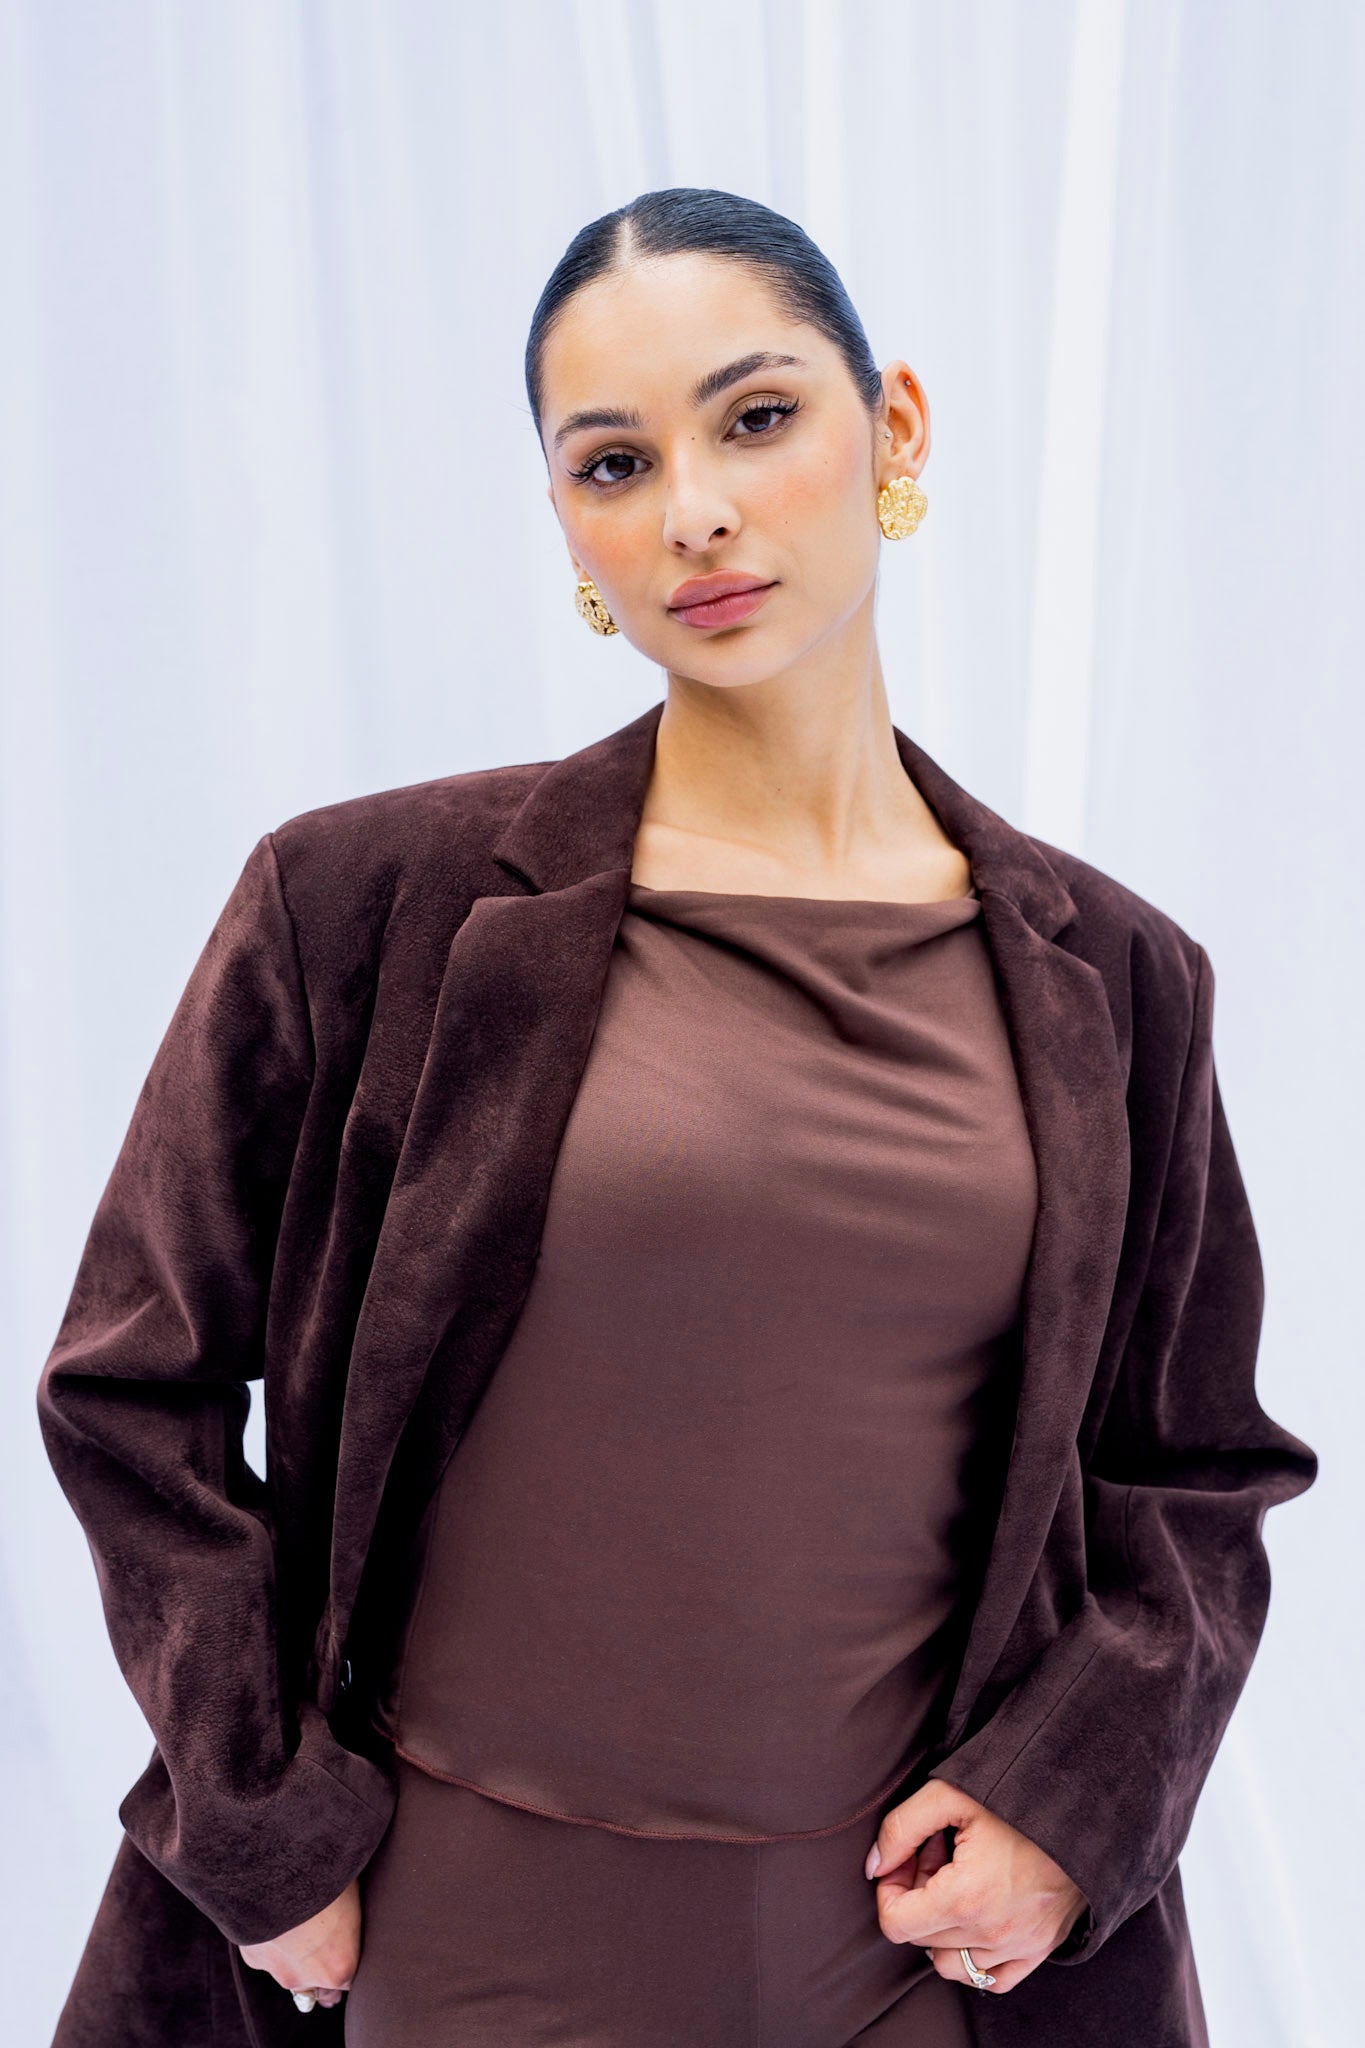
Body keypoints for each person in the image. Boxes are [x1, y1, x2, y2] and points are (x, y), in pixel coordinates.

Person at [38, 189, 1317, 2048]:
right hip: (443, 1941)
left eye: (756, 418)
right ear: (567, 523)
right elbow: (130, 1387)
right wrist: (265, 1823)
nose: (693, 511)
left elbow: (1192, 1471)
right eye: (614, 462)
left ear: (895, 430)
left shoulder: (1112, 977)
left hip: (918, 1952)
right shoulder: (364, 906)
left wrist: (1075, 1799)